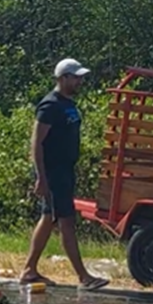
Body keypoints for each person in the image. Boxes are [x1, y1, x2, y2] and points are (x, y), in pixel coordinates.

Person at [19, 58, 110, 291]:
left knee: (49, 219)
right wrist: (41, 177)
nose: (80, 81)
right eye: (76, 77)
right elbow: (36, 143)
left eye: (80, 77)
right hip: (53, 172)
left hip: (65, 170)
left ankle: (29, 270)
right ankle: (83, 277)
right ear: (63, 78)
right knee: (66, 221)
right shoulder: (50, 106)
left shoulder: (69, 104)